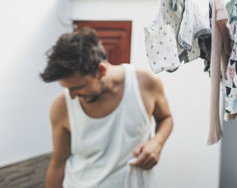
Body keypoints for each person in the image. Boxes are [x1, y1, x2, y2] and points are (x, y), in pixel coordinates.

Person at [40, 27, 173, 188]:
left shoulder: (146, 83)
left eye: (78, 87)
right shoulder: (61, 106)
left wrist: (157, 143)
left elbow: (165, 118)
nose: (72, 96)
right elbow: (58, 164)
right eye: (67, 88)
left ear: (101, 70)